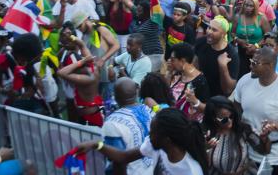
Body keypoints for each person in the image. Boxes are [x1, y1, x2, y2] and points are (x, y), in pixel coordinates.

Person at [234, 47, 278, 175]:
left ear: (270, 65)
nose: (250, 66)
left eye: (255, 63)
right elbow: (236, 111)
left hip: (276, 157)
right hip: (248, 150)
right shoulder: (245, 80)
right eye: (251, 61)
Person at [75, 108, 207, 175]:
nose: (149, 135)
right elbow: (124, 156)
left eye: (153, 132)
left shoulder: (191, 171)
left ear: (167, 139)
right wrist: (95, 145)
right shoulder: (156, 145)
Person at [102, 77, 154, 175]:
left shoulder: (112, 123)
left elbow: (118, 161)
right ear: (136, 93)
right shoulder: (148, 111)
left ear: (115, 97)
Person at [194, 16, 239, 97]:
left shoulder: (232, 54)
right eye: (209, 27)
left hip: (215, 99)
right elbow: (193, 60)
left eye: (214, 30)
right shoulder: (202, 42)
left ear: (223, 34)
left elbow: (228, 90)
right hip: (198, 92)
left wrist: (223, 67)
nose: (209, 32)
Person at [203, 96, 249, 175]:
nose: (230, 121)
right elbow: (204, 166)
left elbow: (255, 156)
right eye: (224, 119)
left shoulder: (243, 130)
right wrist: (206, 149)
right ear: (213, 118)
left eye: (231, 116)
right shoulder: (207, 135)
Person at [165, 43, 210, 121]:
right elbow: (164, 90)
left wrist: (195, 101)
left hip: (186, 124)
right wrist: (169, 72)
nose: (170, 61)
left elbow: (207, 109)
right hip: (171, 117)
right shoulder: (177, 73)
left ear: (182, 61)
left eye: (173, 59)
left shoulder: (199, 81)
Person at [57, 56, 103, 127]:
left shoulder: (88, 78)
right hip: (90, 114)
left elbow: (61, 72)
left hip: (91, 117)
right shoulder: (93, 69)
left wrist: (81, 61)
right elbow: (83, 47)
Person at [232, 0, 270, 77]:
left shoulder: (262, 18)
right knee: (242, 74)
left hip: (258, 52)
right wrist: (239, 40)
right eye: (246, 5)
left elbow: (268, 36)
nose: (248, 8)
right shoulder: (237, 17)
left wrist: (256, 45)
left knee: (256, 75)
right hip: (242, 51)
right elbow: (232, 33)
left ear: (256, 7)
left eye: (251, 6)